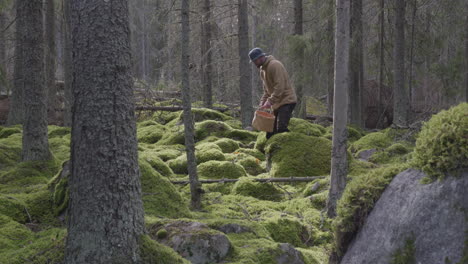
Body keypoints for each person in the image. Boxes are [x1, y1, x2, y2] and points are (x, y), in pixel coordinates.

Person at [249, 47, 297, 139]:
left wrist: (270, 101)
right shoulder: (262, 70)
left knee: (282, 128)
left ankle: (288, 148)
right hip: (276, 103)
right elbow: (267, 90)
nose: (254, 64)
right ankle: (270, 150)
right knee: (270, 130)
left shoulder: (275, 65)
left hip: (287, 100)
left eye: (255, 61)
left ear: (259, 58)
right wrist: (262, 102)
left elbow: (280, 86)